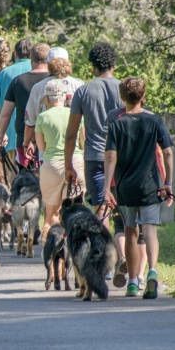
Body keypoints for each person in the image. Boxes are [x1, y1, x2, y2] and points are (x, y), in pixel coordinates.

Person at [103, 77, 173, 299]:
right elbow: (168, 152)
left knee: (130, 231)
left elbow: (111, 157)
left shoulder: (116, 123)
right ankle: (151, 271)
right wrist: (168, 182)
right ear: (143, 96)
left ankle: (132, 282)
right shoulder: (155, 121)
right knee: (150, 230)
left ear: (122, 98)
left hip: (125, 187)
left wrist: (107, 187)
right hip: (150, 185)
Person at [64, 42, 122, 220]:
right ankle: (123, 246)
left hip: (95, 156)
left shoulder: (83, 91)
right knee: (123, 214)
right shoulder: (125, 89)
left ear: (93, 66)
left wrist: (69, 165)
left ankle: (105, 247)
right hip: (122, 156)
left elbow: (72, 133)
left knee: (101, 211)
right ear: (113, 65)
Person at [35, 78, 85, 241]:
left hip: (51, 165)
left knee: (51, 214)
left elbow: (41, 148)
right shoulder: (76, 115)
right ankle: (72, 244)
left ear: (48, 99)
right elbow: (82, 142)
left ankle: (51, 246)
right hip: (76, 163)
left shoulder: (42, 117)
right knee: (74, 209)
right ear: (65, 97)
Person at [23, 47, 83, 165]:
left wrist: (26, 143)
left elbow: (30, 121)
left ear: (48, 64)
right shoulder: (79, 85)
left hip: (48, 153)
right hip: (75, 153)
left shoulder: (39, 87)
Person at [0, 42, 50, 167]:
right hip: (50, 140)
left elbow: (5, 114)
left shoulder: (18, 81)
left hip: (24, 141)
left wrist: (0, 137)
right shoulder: (53, 81)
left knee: (26, 181)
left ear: (31, 58)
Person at [0, 38, 32, 159]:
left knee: (13, 177)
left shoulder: (5, 73)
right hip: (36, 141)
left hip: (11, 140)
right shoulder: (40, 71)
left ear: (15, 54)